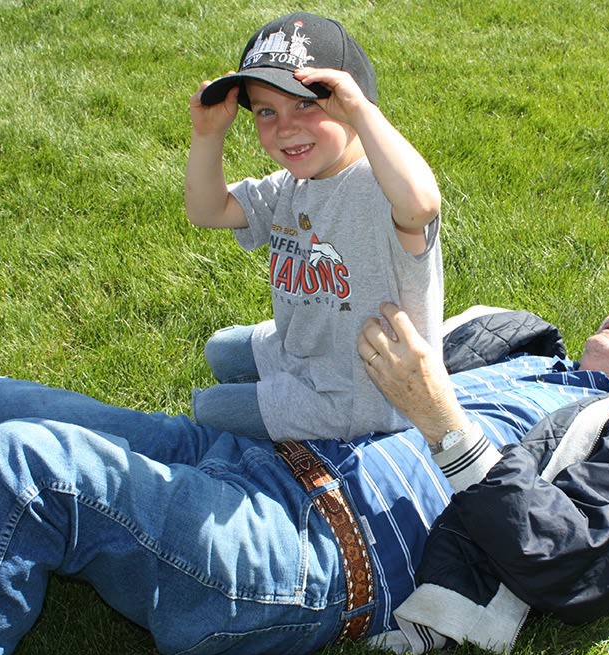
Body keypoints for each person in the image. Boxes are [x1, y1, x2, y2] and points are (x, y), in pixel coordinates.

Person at [0, 281, 609, 655]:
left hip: (322, 550)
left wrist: (442, 418)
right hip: (248, 460)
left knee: (32, 468)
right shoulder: (526, 346)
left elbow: (575, 561)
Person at [184, 12, 443, 441]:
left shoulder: (379, 185)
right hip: (303, 350)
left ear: (348, 101)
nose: (285, 127)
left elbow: (421, 204)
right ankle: (279, 378)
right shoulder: (293, 185)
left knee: (208, 410)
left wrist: (362, 112)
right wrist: (208, 135)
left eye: (306, 103)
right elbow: (207, 211)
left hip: (358, 394)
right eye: (267, 111)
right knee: (219, 350)